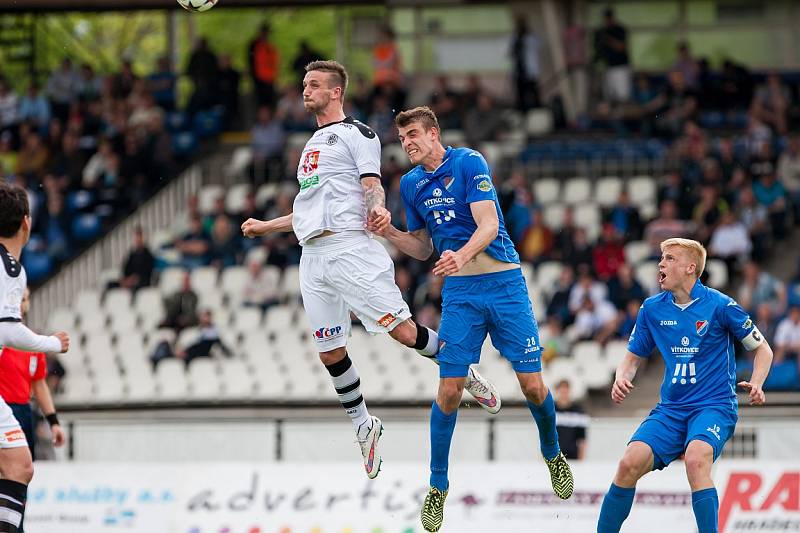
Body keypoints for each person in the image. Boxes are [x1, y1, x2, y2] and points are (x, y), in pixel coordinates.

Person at [240, 60, 499, 481]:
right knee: (330, 352)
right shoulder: (310, 144)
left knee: (402, 331)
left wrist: (377, 205)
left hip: (349, 249)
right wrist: (267, 225)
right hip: (314, 255)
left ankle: (461, 367)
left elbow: (371, 183)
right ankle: (364, 424)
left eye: (314, 85)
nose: (305, 91)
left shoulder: (356, 134)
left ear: (336, 92)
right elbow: (309, 209)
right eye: (305, 84)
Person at [368, 106, 574, 532]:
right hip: (460, 293)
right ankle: (437, 487)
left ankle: (553, 453)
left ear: (433, 132)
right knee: (448, 391)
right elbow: (423, 247)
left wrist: (459, 255)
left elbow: (488, 223)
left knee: (533, 386)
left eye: (413, 134)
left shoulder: (468, 162)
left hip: (503, 285)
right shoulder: (410, 184)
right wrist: (388, 232)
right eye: (402, 137)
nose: (407, 142)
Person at [597, 238, 773, 533]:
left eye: (669, 258)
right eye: (661, 258)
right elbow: (631, 358)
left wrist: (757, 382)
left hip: (714, 407)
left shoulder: (721, 306)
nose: (660, 264)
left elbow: (763, 349)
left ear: (690, 268)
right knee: (629, 463)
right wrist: (622, 376)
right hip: (671, 409)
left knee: (695, 459)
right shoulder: (652, 309)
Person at [0, 181, 70, 532]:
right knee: (18, 465)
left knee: (19, 465)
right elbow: (7, 331)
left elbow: (38, 380)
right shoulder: (9, 269)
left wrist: (52, 419)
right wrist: (51, 343)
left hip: (17, 407)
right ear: (26, 223)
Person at [0, 288, 66, 460]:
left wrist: (53, 422)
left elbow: (39, 383)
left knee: (25, 469)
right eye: (18, 299)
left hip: (23, 410)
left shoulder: (33, 345)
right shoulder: (3, 338)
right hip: (3, 410)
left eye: (25, 299)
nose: (22, 305)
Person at [554, 379, 588, 460]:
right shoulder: (551, 411)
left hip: (573, 456)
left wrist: (581, 459)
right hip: (554, 456)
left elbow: (582, 439)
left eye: (565, 391)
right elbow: (545, 436)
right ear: (557, 391)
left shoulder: (578, 411)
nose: (564, 394)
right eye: (562, 391)